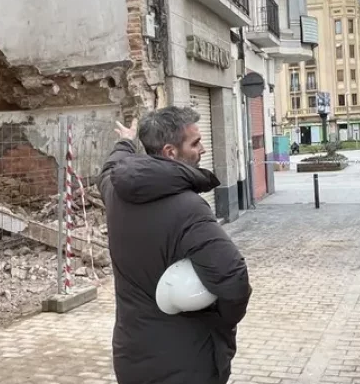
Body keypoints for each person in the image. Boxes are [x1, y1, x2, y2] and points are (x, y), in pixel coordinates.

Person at [100, 106, 253, 384]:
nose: (203, 149)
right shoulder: (188, 208)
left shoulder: (114, 192)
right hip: (186, 361)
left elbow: (111, 166)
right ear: (170, 152)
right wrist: (221, 321)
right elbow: (233, 278)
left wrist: (126, 140)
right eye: (195, 143)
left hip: (130, 355)